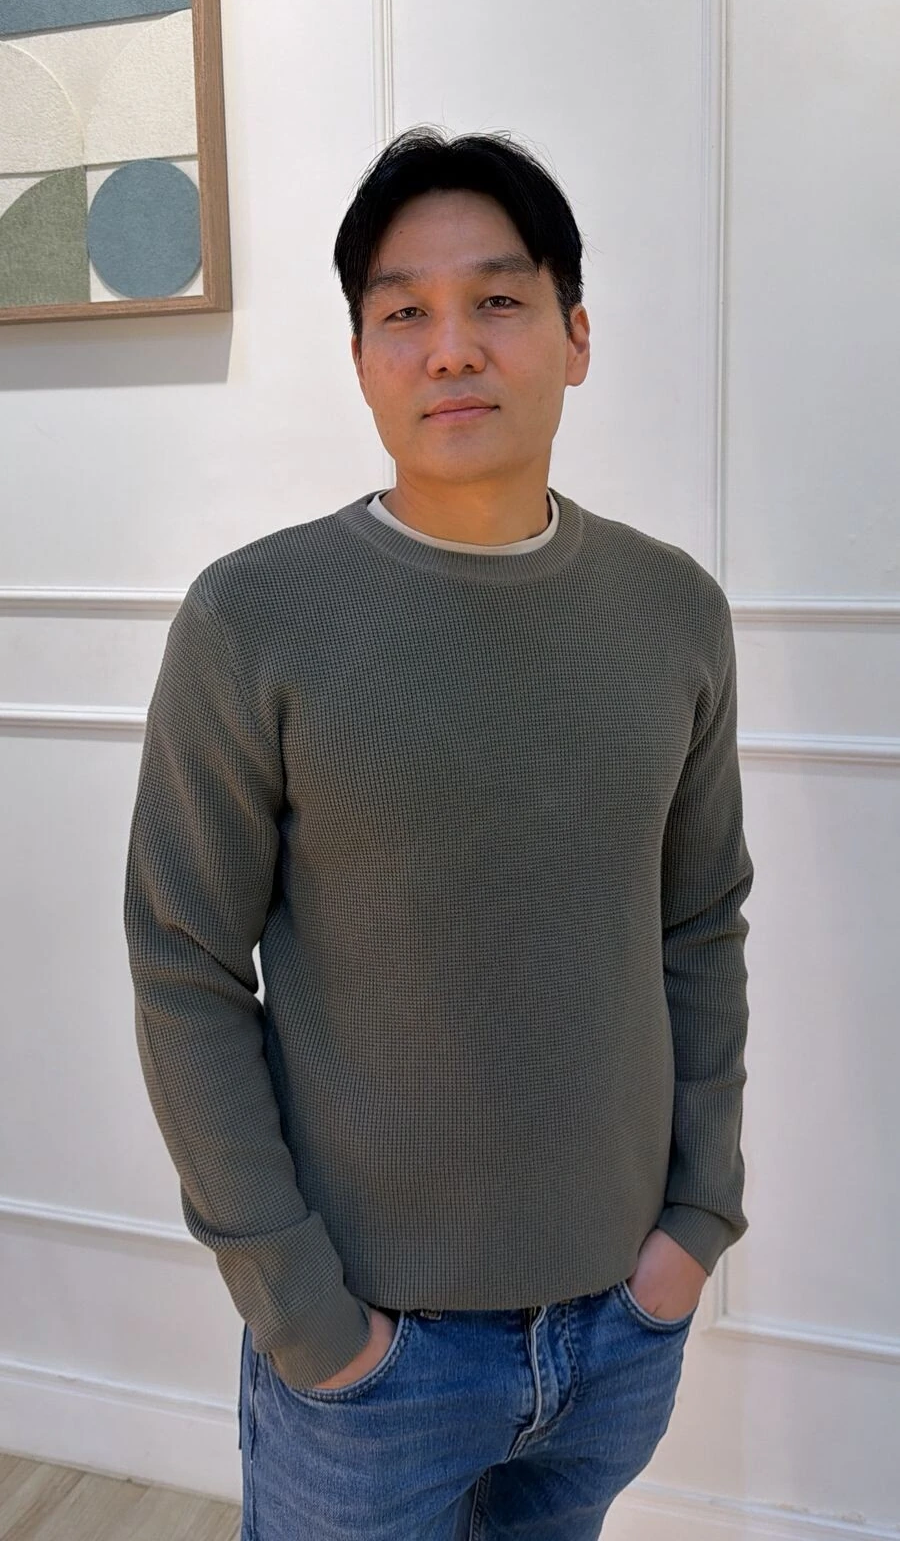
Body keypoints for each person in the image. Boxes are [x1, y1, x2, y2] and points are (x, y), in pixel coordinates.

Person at [123, 125, 754, 1539]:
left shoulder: (673, 610)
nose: (451, 348)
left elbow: (700, 919)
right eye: (403, 313)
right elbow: (183, 964)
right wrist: (301, 1309)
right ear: (360, 358)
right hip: (369, 1352)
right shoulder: (252, 618)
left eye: (499, 300)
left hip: (620, 1327)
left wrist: (695, 1223)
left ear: (576, 336)